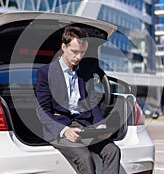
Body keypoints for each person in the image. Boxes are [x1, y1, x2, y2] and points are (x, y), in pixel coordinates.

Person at [35, 26, 120, 174]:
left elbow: (92, 102)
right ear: (63, 47)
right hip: (60, 127)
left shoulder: (86, 72)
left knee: (112, 151)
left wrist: (100, 125)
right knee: (85, 158)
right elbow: (42, 110)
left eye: (82, 53)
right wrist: (64, 130)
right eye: (75, 52)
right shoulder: (45, 72)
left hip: (85, 126)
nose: (78, 57)